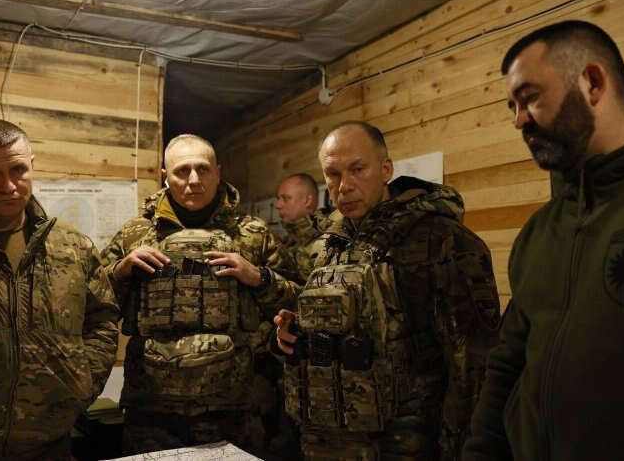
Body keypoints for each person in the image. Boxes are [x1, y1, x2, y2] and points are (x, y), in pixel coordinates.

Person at [462, 21, 624, 461]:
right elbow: (508, 363)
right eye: (512, 106)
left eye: (530, 98)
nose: (519, 120)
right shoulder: (541, 230)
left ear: (592, 83)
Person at [274, 121, 501, 460]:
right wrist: (292, 336)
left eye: (357, 169)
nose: (344, 186)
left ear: (385, 170)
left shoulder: (442, 241)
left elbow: (473, 370)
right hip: (327, 443)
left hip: (407, 447)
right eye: (333, 174)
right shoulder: (325, 248)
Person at [0, 119, 119, 460]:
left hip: (50, 446)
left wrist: (81, 386)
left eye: (18, 170)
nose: (8, 185)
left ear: (32, 165)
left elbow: (102, 320)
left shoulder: (72, 247)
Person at [102, 133, 300, 456]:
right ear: (165, 176)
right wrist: (120, 271)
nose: (194, 180)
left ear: (218, 173)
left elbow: (297, 304)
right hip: (152, 413)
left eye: (203, 169)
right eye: (182, 171)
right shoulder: (134, 234)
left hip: (233, 410)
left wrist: (258, 277)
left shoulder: (252, 234)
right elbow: (95, 306)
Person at [275, 173, 334, 280]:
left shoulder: (330, 239)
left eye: (285, 198)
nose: (278, 205)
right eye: (278, 198)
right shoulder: (287, 242)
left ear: (307, 201)